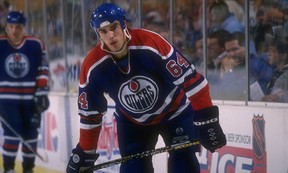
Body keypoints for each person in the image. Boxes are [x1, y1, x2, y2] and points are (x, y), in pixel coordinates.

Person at [66, 3, 226, 173]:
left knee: (183, 165)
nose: (111, 35)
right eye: (104, 31)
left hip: (175, 112)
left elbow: (193, 81)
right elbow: (90, 115)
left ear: (124, 24)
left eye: (114, 27)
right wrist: (85, 153)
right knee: (133, 170)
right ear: (98, 34)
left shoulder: (151, 43)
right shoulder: (92, 66)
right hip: (132, 122)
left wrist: (208, 120)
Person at [0, 11, 50, 173]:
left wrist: (42, 93)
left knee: (31, 135)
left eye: (18, 27)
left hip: (31, 100)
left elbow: (43, 69)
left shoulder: (35, 44)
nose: (14, 31)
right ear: (7, 28)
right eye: (11, 27)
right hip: (6, 100)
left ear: (24, 28)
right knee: (13, 133)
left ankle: (28, 169)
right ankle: (9, 169)